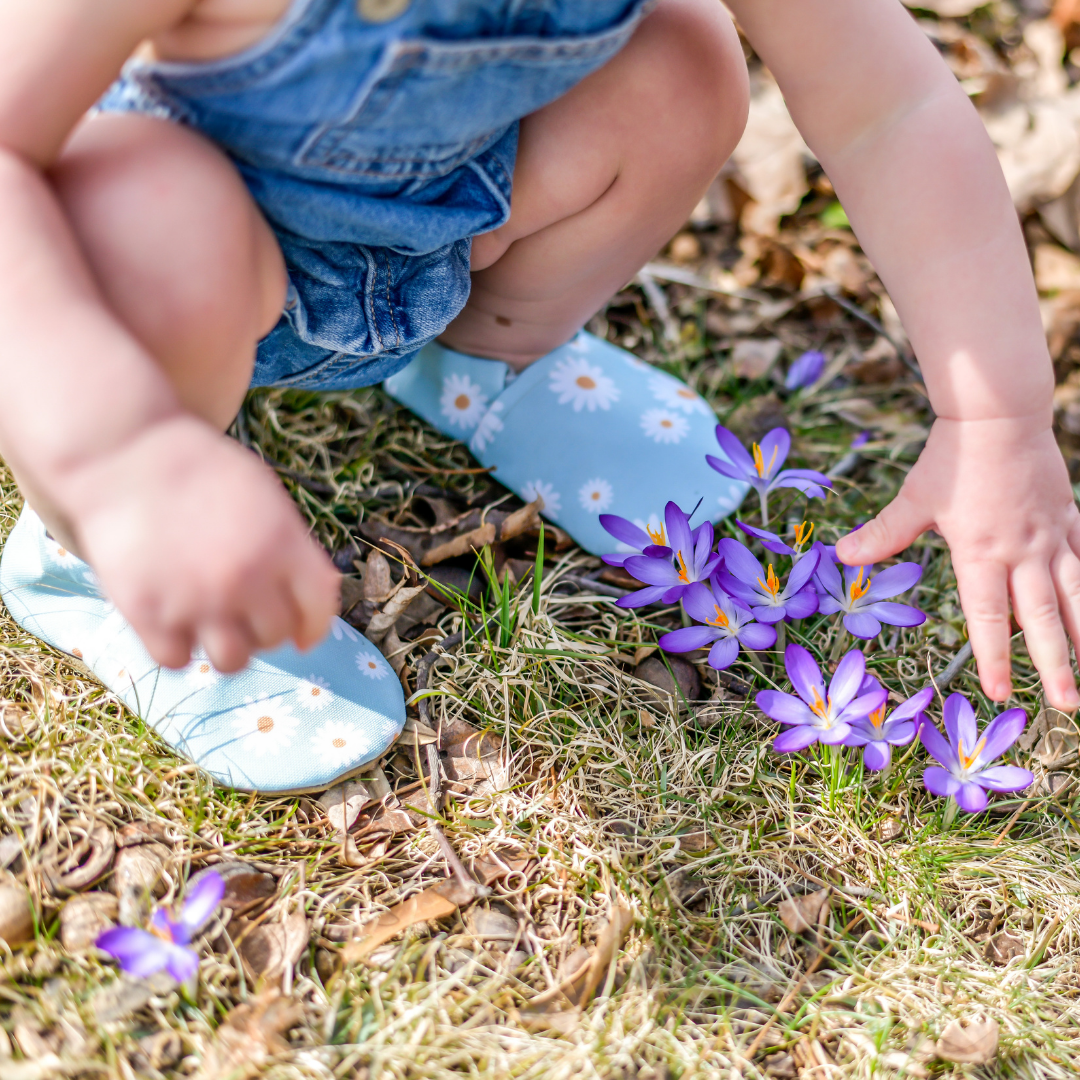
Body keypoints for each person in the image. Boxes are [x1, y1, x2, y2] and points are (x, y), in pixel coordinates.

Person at [0, 0, 1075, 794]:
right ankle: (90, 558)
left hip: (431, 244)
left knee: (680, 67)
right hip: (157, 308)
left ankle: (481, 355)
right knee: (152, 203)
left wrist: (994, 413)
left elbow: (891, 105)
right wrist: (122, 449)